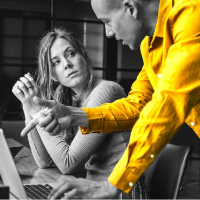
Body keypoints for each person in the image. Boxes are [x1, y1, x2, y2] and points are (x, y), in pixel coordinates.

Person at [21, 0, 200, 199]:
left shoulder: (192, 19)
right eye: (56, 63)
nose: (108, 32)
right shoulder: (150, 45)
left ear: (130, 8)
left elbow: (166, 105)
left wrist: (113, 185)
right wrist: (73, 114)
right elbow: (137, 104)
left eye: (107, 21)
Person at [12, 27, 149, 199]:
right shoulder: (73, 100)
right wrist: (28, 106)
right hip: (93, 191)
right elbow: (44, 161)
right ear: (54, 76)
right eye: (56, 62)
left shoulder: (106, 91)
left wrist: (38, 111)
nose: (67, 64)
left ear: (83, 57)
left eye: (70, 54)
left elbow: (67, 163)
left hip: (121, 193)